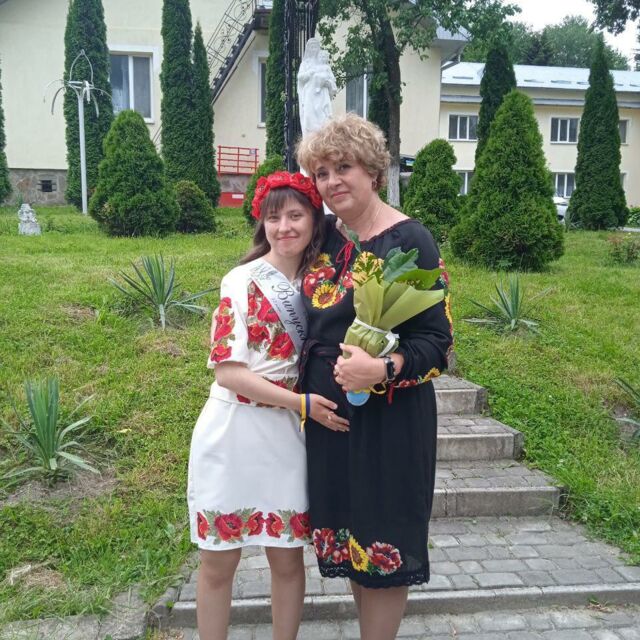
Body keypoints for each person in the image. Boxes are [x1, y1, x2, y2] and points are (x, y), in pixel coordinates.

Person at [296, 114, 454, 640]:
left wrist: (382, 368)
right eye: (321, 173)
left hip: (390, 426)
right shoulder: (330, 242)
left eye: (343, 167)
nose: (332, 181)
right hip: (333, 426)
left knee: (383, 549)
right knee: (354, 548)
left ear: (372, 171)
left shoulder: (408, 240)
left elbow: (438, 343)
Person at [187, 171, 350, 640]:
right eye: (273, 217)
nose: (284, 227)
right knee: (218, 562)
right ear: (262, 222)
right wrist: (301, 403)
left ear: (314, 220)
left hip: (284, 437)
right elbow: (228, 372)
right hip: (231, 432)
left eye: (296, 215)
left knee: (287, 559)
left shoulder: (323, 286)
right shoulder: (240, 280)